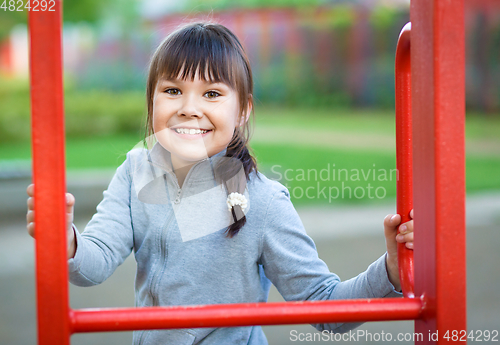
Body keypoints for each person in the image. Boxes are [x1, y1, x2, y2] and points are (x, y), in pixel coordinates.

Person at [26, 21, 415, 345]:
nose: (189, 108)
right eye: (173, 90)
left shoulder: (262, 201)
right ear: (152, 101)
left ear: (242, 110)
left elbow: (326, 307)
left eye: (212, 93)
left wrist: (391, 272)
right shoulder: (136, 169)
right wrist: (66, 239)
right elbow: (91, 268)